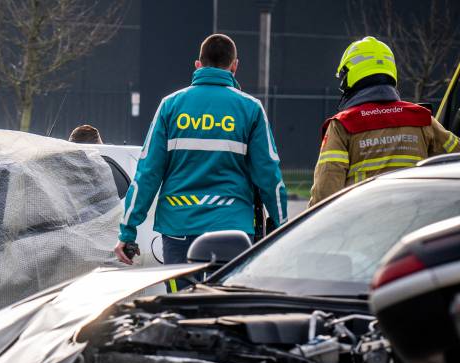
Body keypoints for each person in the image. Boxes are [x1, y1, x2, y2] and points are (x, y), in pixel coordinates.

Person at [116, 33, 287, 286]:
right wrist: (281, 226)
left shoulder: (170, 106)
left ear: (198, 64)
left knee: (181, 310)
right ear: (235, 66)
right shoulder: (250, 108)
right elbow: (269, 175)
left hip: (179, 228)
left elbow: (148, 173)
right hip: (233, 230)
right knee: (225, 307)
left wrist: (128, 230)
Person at [309, 36, 460, 206]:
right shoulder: (422, 119)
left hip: (363, 223)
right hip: (416, 222)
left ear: (349, 76)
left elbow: (325, 190)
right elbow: (456, 159)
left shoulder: (343, 125)